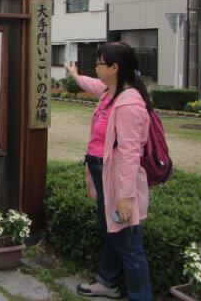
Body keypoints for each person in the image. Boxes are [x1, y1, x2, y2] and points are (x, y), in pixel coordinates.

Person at [65, 42, 152, 301]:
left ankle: (141, 296)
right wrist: (74, 75)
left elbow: (129, 155)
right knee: (111, 232)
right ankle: (107, 281)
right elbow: (91, 84)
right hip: (103, 172)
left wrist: (126, 197)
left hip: (117, 181)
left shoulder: (128, 105)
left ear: (114, 68)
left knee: (128, 242)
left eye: (100, 64)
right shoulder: (109, 92)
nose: (96, 68)